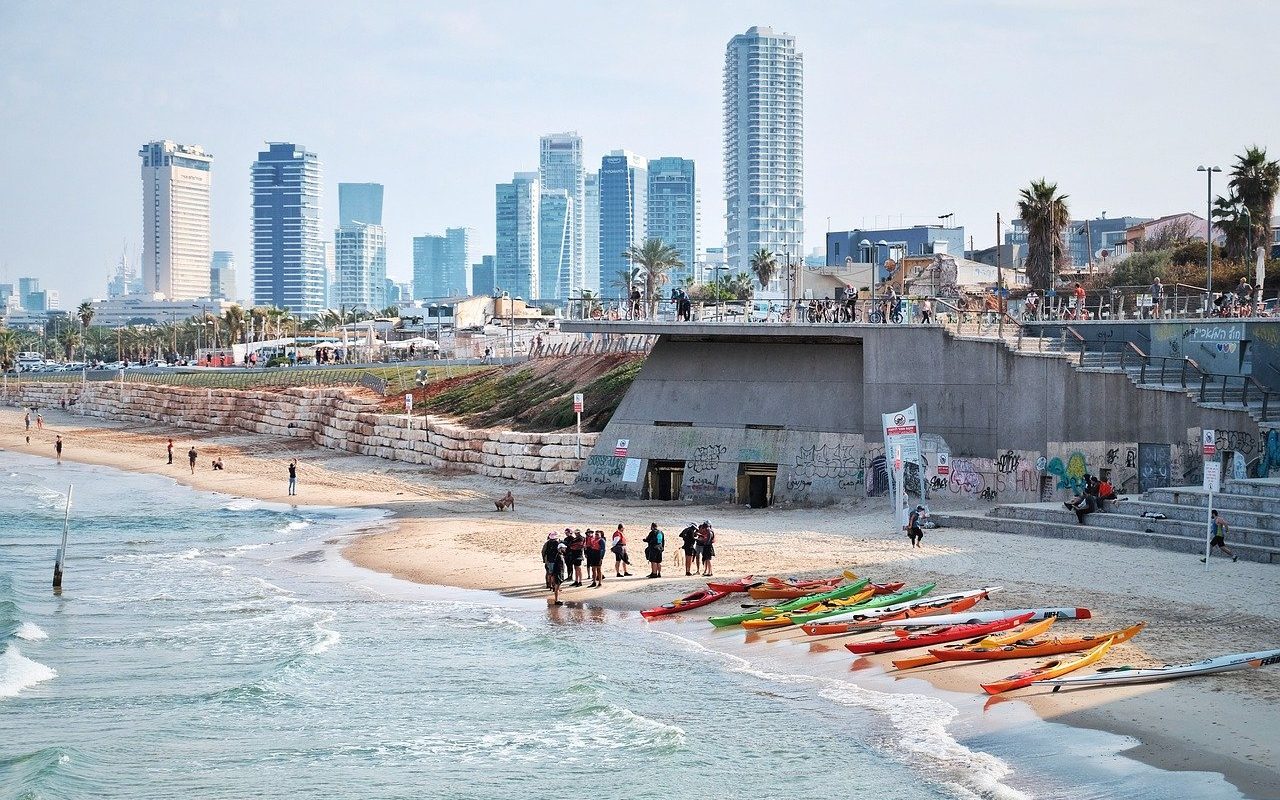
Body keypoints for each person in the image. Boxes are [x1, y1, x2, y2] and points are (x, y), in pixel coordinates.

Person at [541, 532, 565, 605]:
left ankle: (550, 586)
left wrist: (544, 560)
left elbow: (543, 551)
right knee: (554, 574)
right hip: (554, 561)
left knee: (549, 573)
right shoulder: (557, 544)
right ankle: (555, 587)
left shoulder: (547, 543)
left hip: (549, 560)